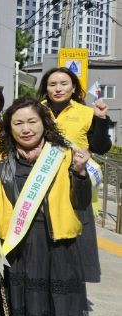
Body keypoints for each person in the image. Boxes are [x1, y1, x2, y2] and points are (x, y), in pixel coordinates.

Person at [0, 97, 94, 316]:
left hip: (58, 245)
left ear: (44, 123)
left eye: (32, 121)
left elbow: (81, 203)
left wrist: (80, 173)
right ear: (9, 128)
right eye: (18, 123)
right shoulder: (4, 159)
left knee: (53, 309)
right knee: (26, 309)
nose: (26, 128)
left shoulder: (62, 156)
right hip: (20, 245)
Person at [37, 67, 112, 283]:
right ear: (46, 88)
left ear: (73, 88)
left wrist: (101, 119)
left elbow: (100, 147)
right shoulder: (35, 110)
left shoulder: (86, 112)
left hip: (74, 183)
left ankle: (71, 285)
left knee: (75, 234)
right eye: (52, 84)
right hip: (40, 181)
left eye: (64, 84)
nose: (58, 88)